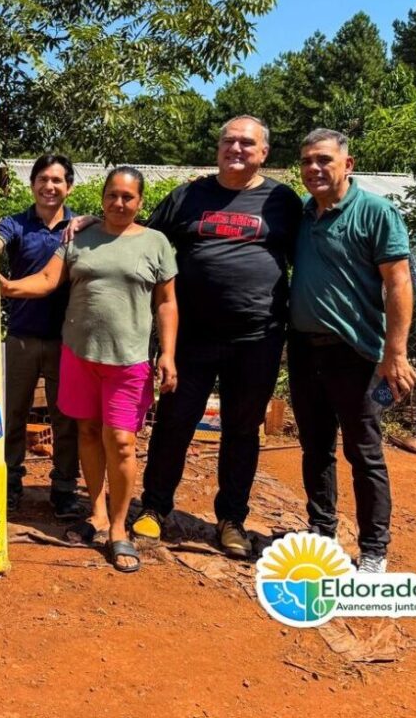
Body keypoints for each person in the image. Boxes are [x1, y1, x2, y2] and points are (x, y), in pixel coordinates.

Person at [123, 115, 303, 559]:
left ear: (264, 153)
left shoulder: (282, 200)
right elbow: (143, 236)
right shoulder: (189, 196)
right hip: (191, 337)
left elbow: (310, 252)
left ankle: (231, 520)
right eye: (229, 141)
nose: (236, 149)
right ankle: (155, 507)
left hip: (257, 337)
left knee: (242, 429)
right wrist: (97, 220)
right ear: (218, 148)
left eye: (247, 143)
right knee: (175, 421)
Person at [2, 167, 178, 572]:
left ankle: (118, 528)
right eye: (113, 195)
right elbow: (47, 280)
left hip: (128, 362)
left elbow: (167, 302)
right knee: (85, 432)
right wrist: (7, 286)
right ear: (102, 197)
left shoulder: (155, 243)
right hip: (79, 355)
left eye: (128, 197)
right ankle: (96, 513)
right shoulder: (78, 237)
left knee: (120, 442)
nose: (119, 203)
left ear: (139, 202)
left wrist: (166, 354)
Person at [289, 129, 416, 573]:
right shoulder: (304, 213)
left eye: (324, 159)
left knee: (364, 452)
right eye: (307, 161)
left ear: (348, 164)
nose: (314, 168)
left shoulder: (375, 212)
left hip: (357, 355)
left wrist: (394, 354)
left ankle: (374, 550)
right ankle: (321, 532)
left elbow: (399, 281)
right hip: (304, 352)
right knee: (314, 447)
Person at [0, 154, 84, 518]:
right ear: (32, 184)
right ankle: (10, 484)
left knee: (66, 418)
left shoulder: (81, 229)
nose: (50, 187)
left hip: (67, 340)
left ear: (69, 187)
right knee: (13, 415)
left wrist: (90, 220)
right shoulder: (15, 225)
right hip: (21, 336)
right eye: (43, 179)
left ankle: (64, 488)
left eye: (57, 181)